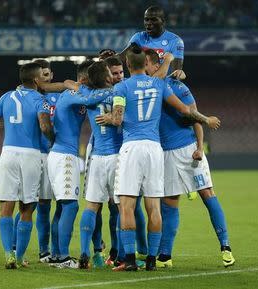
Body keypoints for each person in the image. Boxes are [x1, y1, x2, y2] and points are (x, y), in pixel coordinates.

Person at [97, 47, 220, 271]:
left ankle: (130, 261)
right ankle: (153, 260)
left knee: (126, 205)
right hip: (155, 149)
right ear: (145, 63)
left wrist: (108, 116)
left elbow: (117, 120)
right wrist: (205, 119)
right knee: (154, 206)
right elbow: (185, 109)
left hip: (132, 147)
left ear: (126, 64)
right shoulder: (159, 84)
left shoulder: (122, 87)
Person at [144, 49, 235, 268]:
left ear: (156, 66)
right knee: (170, 203)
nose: (141, 68)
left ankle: (225, 246)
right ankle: (165, 256)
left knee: (207, 194)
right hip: (164, 154)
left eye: (145, 64)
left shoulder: (177, 86)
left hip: (187, 149)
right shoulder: (146, 90)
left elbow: (193, 114)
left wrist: (199, 146)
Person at [0, 62, 54, 269]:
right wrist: (52, 139)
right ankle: (21, 256)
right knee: (26, 209)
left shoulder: (6, 97)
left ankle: (8, 255)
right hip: (30, 155)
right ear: (35, 80)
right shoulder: (40, 100)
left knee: (6, 208)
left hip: (8, 154)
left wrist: (9, 126)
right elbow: (44, 126)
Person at [47, 60, 110, 269]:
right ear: (85, 80)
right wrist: (116, 88)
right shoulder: (76, 94)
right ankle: (63, 258)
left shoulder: (74, 93)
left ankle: (56, 255)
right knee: (71, 206)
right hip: (65, 156)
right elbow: (93, 98)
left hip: (60, 154)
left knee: (61, 208)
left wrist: (67, 83)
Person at [11, 59, 60, 263]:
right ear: (36, 78)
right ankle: (15, 246)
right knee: (27, 203)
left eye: (48, 75)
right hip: (31, 154)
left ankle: (43, 250)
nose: (45, 79)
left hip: (50, 155)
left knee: (45, 204)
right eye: (42, 76)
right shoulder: (25, 98)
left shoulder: (57, 98)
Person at [78, 61, 122, 269]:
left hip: (96, 157)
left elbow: (74, 86)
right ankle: (122, 254)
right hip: (117, 156)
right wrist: (114, 117)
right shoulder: (119, 93)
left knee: (91, 207)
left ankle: (85, 251)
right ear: (107, 77)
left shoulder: (87, 95)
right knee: (123, 207)